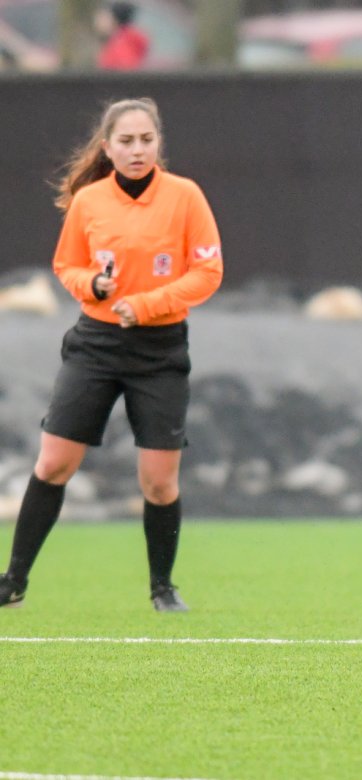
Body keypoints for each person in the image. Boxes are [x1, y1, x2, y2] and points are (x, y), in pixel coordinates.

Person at [0, 98, 224, 612]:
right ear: (107, 148)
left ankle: (162, 588)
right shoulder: (90, 200)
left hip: (160, 350)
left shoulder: (185, 196)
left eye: (146, 140)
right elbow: (67, 266)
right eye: (126, 141)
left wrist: (146, 304)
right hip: (95, 347)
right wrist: (93, 286)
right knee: (54, 464)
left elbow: (207, 273)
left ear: (158, 143)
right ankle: (13, 581)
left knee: (159, 482)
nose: (137, 150)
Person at [96, 2, 150, 71]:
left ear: (114, 19)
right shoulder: (119, 40)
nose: (98, 21)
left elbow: (127, 70)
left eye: (103, 17)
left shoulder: (122, 43)